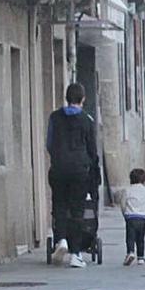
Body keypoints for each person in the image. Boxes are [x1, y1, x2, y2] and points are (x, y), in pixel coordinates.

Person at [46, 82, 100, 269]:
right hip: (79, 170)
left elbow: (49, 143)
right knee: (77, 211)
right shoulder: (87, 120)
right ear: (83, 99)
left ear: (66, 98)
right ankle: (76, 254)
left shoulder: (54, 117)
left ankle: (61, 240)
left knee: (59, 205)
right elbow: (92, 149)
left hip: (59, 168)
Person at [116, 168, 145, 265]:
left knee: (130, 237)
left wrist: (125, 214)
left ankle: (130, 252)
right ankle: (141, 257)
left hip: (130, 217)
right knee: (141, 239)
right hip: (142, 218)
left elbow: (123, 204)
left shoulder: (127, 190)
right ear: (144, 180)